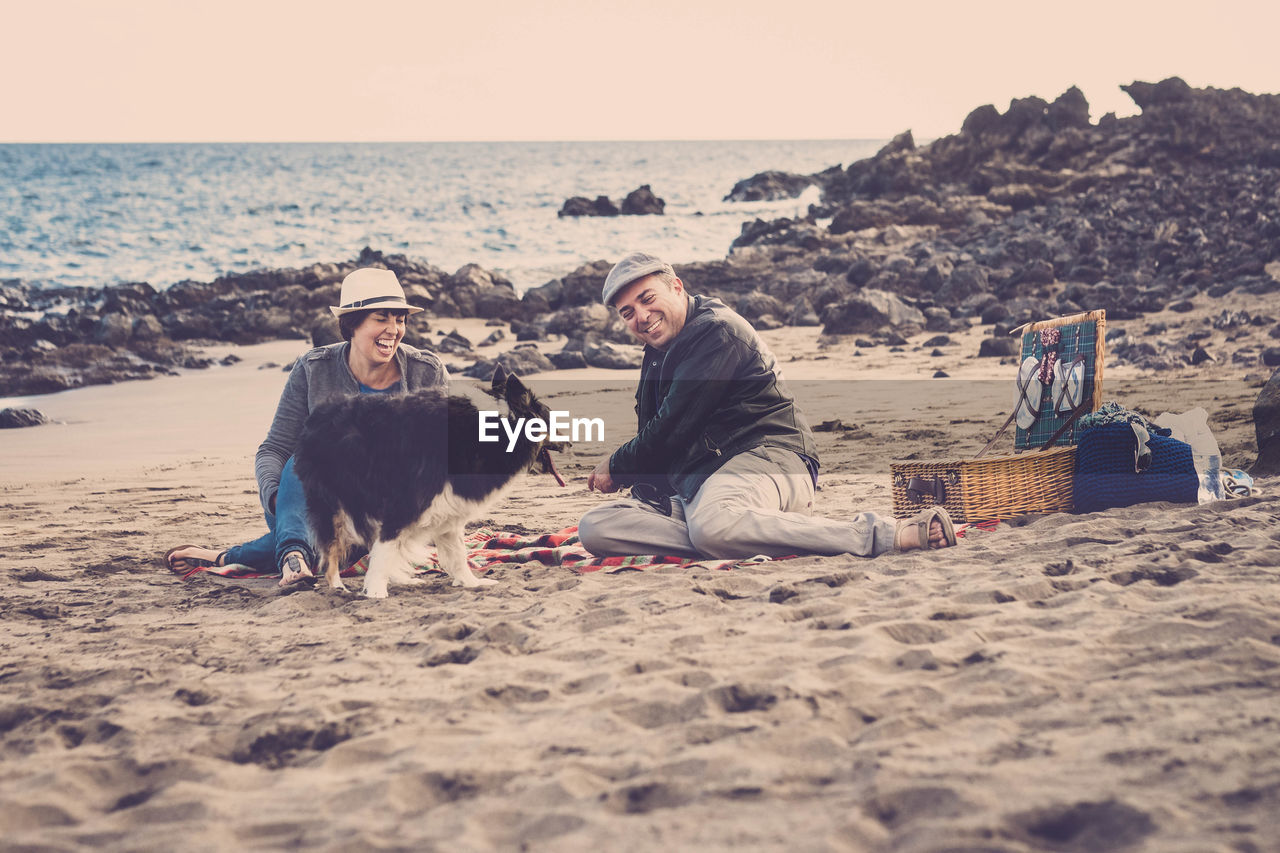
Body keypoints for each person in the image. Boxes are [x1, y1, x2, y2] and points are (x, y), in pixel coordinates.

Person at [579, 251, 956, 560]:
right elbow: (658, 438)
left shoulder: (716, 332)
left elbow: (670, 428)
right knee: (597, 528)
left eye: (647, 299)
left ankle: (885, 533)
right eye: (628, 312)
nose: (641, 316)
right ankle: (744, 532)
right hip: (700, 486)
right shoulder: (658, 350)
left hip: (767, 460)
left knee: (713, 526)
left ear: (677, 287)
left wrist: (616, 465)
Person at [165, 267, 448, 585]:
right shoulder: (314, 370)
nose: (394, 330)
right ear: (352, 324)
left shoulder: (426, 372)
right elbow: (274, 449)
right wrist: (277, 498)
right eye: (382, 318)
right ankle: (293, 559)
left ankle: (228, 557)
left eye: (400, 319)